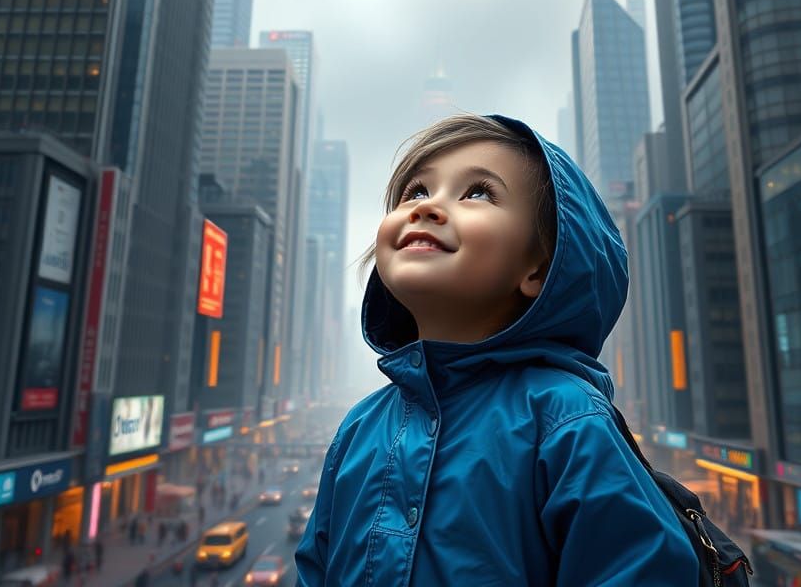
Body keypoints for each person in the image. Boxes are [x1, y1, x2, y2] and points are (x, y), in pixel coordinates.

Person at [294, 114, 698, 586]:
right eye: (416, 192)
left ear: (538, 270)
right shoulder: (358, 428)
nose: (427, 208)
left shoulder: (565, 418)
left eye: (478, 193)